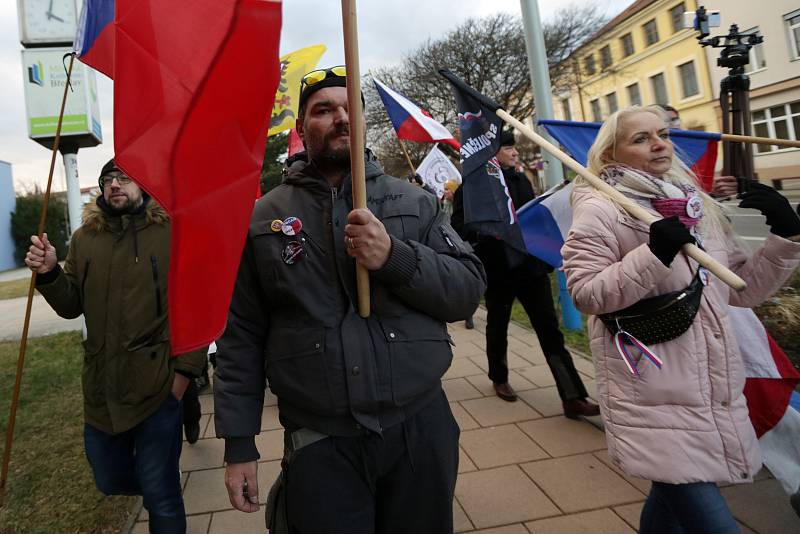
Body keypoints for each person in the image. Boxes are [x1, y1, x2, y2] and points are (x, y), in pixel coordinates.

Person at [214, 66, 485, 533]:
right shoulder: (262, 220)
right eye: (323, 110)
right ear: (301, 129)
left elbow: (466, 292)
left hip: (419, 431)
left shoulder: (414, 202)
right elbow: (241, 337)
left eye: (349, 108)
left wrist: (394, 257)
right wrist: (240, 444)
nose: (340, 118)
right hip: (322, 442)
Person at [561, 105, 800, 533]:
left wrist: (785, 236)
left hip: (712, 388)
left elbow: (742, 289)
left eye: (664, 134)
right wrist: (654, 254)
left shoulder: (694, 205)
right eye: (641, 138)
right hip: (651, 390)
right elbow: (587, 293)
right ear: (611, 154)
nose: (660, 145)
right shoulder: (602, 208)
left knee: (670, 508)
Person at [25, 160, 208, 533]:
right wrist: (49, 273)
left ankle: (163, 492)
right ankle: (160, 486)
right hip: (102, 390)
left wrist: (184, 376)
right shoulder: (85, 239)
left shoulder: (170, 231)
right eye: (108, 179)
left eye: (123, 177)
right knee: (109, 479)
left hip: (157, 389)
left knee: (163, 498)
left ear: (143, 185)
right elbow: (70, 304)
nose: (114, 184)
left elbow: (196, 305)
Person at [451, 131, 599, 418]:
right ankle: (499, 377)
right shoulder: (471, 187)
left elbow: (533, 218)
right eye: (508, 148)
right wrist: (488, 232)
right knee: (498, 326)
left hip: (530, 269)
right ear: (492, 153)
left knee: (550, 332)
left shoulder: (521, 180)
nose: (514, 152)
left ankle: (572, 396)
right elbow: (459, 226)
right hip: (498, 271)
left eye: (513, 147)